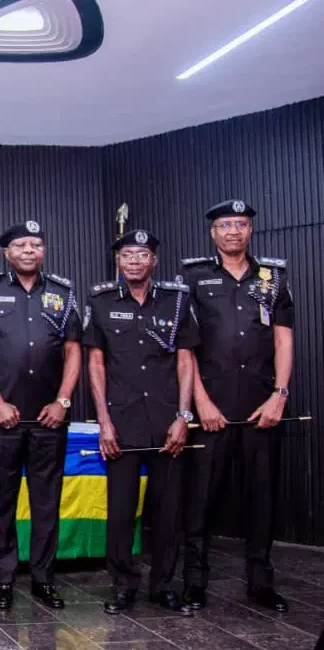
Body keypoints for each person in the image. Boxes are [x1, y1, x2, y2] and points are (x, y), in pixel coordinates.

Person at [180, 199, 294, 613]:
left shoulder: (273, 277)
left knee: (262, 498)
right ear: (213, 232)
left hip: (262, 406)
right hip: (211, 407)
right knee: (201, 499)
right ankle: (195, 582)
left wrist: (279, 395)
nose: (233, 231)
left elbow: (283, 338)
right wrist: (201, 402)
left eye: (240, 224)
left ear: (250, 230)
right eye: (225, 225)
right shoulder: (194, 277)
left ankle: (261, 582)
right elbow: (185, 346)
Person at [0, 221, 82, 611]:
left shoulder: (63, 293)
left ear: (43, 251)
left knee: (47, 502)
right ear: (7, 253)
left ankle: (44, 579)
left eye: (36, 244)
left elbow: (73, 350)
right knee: (2, 501)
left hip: (50, 417)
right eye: (21, 245)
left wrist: (63, 401)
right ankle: (3, 579)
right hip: (2, 418)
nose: (29, 250)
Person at [83, 229, 198, 616]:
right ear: (117, 261)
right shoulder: (100, 301)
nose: (135, 261)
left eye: (142, 254)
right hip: (122, 421)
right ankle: (123, 585)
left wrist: (183, 416)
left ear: (154, 261)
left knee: (168, 510)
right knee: (120, 511)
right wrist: (104, 421)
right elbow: (96, 364)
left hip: (167, 421)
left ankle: (163, 586)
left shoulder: (177, 301)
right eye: (127, 254)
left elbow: (185, 361)